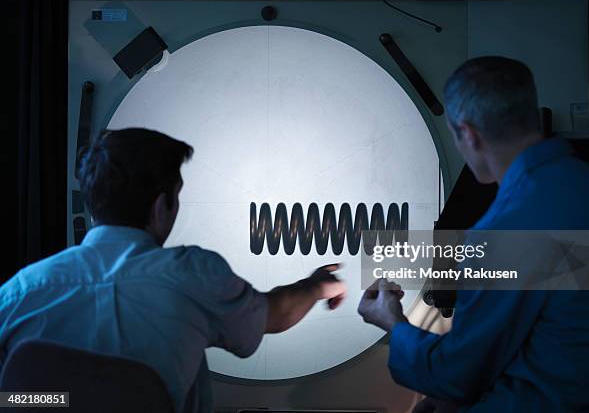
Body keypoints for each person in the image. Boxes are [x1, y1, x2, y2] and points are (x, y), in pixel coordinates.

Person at [0, 128, 346, 413]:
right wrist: (316, 286)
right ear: (161, 205)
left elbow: (9, 397)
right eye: (177, 196)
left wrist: (60, 402)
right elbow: (276, 314)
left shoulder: (19, 292)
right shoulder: (194, 275)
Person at [358, 56, 589, 412]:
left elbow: (458, 375)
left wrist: (392, 321)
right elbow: (562, 329)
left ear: (470, 135)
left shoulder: (502, 233)